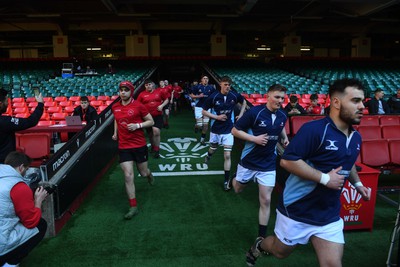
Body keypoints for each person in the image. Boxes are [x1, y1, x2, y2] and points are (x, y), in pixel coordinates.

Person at [245, 78, 371, 267]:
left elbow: (348, 162)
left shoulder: (356, 137)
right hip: (297, 210)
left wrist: (358, 184)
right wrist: (325, 178)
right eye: (355, 101)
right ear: (336, 102)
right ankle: (260, 244)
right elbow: (287, 161)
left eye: (362, 101)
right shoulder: (315, 130)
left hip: (328, 214)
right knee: (280, 252)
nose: (362, 106)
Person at [230, 84, 289, 241]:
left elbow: (280, 126)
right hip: (249, 161)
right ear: (268, 95)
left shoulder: (283, 115)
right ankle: (235, 178)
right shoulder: (255, 113)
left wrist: (285, 138)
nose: (280, 100)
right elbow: (235, 130)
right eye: (277, 97)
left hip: (268, 163)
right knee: (237, 189)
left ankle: (261, 238)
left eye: (282, 98)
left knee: (266, 200)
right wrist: (254, 139)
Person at [112, 81, 155, 220]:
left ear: (131, 92)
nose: (123, 92)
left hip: (139, 145)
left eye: (126, 90)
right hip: (124, 146)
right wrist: (115, 133)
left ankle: (149, 174)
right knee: (128, 175)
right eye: (121, 90)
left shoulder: (138, 106)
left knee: (142, 173)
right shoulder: (115, 106)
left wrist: (138, 125)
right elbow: (116, 120)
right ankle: (133, 206)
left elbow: (151, 121)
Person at [0, 151, 49, 266]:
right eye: (27, 169)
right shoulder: (18, 186)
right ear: (21, 167)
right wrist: (38, 201)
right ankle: (10, 263)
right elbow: (30, 222)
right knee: (40, 225)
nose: (26, 172)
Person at [202, 76, 247, 191]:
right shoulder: (214, 96)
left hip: (228, 129)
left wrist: (241, 115)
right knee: (213, 148)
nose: (227, 87)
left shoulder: (234, 95)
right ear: (220, 84)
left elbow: (244, 102)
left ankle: (226, 181)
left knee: (227, 155)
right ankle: (208, 155)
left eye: (229, 85)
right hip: (216, 129)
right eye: (225, 84)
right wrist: (216, 116)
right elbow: (204, 111)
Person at [0, 88, 44, 164]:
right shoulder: (5, 122)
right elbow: (30, 121)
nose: (7, 104)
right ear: (0, 104)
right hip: (4, 165)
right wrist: (40, 104)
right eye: (6, 101)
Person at [137, 80, 169, 158]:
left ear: (153, 85)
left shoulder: (159, 92)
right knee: (150, 134)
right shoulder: (141, 94)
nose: (148, 86)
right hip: (147, 117)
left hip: (157, 115)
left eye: (149, 84)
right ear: (145, 86)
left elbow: (166, 100)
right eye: (146, 85)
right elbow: (137, 105)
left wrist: (162, 106)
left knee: (156, 131)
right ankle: (153, 146)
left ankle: (157, 149)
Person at [190, 75, 216, 145]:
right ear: (201, 80)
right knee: (200, 125)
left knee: (205, 125)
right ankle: (196, 126)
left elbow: (214, 96)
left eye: (207, 78)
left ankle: (202, 140)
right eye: (204, 78)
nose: (206, 79)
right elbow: (191, 95)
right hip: (198, 107)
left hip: (207, 108)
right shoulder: (197, 87)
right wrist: (198, 96)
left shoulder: (211, 87)